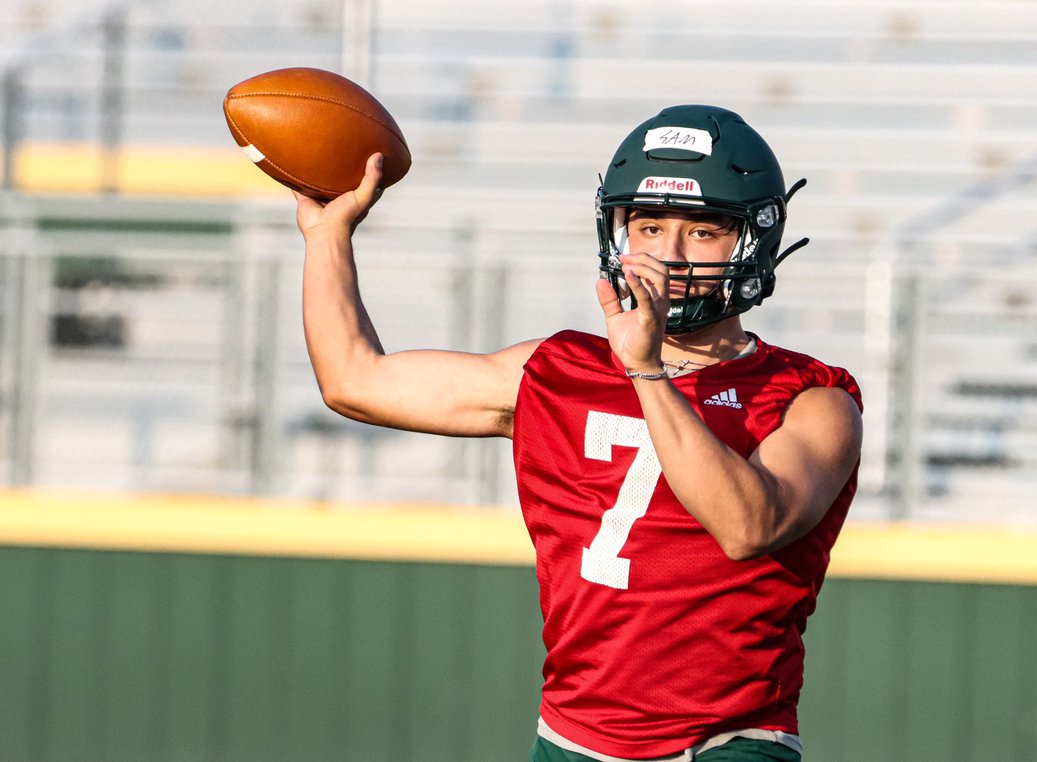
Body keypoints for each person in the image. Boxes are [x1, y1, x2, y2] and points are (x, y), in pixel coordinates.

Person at [295, 105, 863, 762]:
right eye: (648, 226)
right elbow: (354, 381)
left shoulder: (811, 396)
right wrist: (326, 237)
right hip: (571, 742)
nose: (667, 254)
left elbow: (748, 525)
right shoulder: (556, 371)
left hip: (725, 745)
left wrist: (647, 371)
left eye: (702, 231)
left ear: (751, 241)